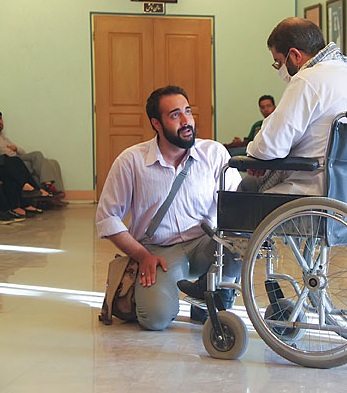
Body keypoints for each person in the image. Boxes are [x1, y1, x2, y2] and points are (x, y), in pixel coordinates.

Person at [95, 85, 242, 330]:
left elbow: (236, 202)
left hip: (206, 244)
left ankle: (210, 296)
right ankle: (166, 293)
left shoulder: (213, 153)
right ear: (156, 123)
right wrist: (142, 255)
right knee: (155, 318)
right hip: (159, 251)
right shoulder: (131, 161)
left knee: (240, 243)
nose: (186, 121)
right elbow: (107, 218)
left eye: (188, 111)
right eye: (175, 115)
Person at [243, 17, 347, 195]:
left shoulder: (307, 80)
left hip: (312, 190)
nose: (280, 69)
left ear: (295, 55)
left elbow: (270, 145)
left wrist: (253, 153)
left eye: (279, 62)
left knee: (244, 187)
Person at [0, 110, 65, 196]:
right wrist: (14, 150)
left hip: (17, 158)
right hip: (11, 162)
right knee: (37, 155)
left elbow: (22, 152)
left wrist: (15, 148)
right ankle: (48, 187)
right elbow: (7, 153)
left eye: (0, 119)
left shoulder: (2, 136)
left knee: (52, 162)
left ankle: (56, 192)